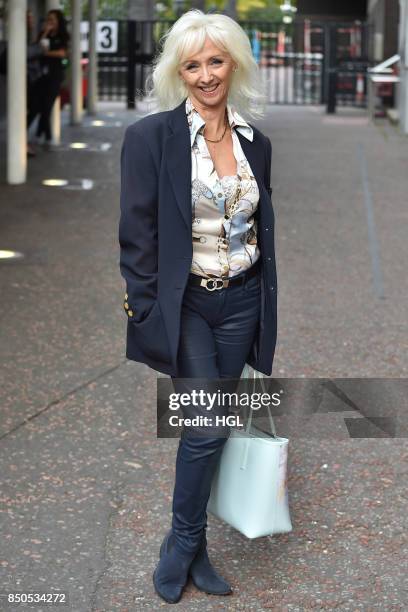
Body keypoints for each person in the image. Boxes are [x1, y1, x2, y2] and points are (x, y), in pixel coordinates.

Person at [118, 9, 277, 604]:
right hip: (185, 306)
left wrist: (262, 302)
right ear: (177, 72)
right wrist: (145, 306)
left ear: (232, 63)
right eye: (193, 64)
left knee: (208, 428)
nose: (206, 75)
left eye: (215, 61)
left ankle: (196, 549)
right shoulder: (149, 138)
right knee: (208, 426)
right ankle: (182, 545)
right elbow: (136, 233)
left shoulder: (256, 142)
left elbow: (261, 229)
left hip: (241, 303)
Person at [27, 9, 69, 149]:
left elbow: (62, 53)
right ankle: (45, 136)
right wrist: (44, 32)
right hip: (41, 75)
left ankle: (43, 136)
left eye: (52, 20)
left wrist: (46, 53)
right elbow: (35, 47)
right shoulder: (44, 34)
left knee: (47, 106)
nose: (49, 22)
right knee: (38, 105)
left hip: (54, 76)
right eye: (48, 19)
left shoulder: (62, 36)